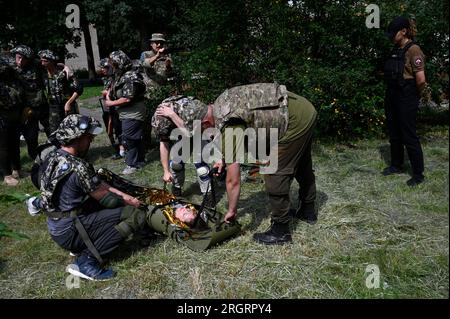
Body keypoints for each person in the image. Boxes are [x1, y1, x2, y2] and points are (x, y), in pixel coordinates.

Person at [181, 83, 318, 245]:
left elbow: (233, 180)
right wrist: (224, 158)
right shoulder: (220, 106)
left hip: (293, 120)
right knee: (302, 164)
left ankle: (281, 231)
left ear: (204, 122)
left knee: (274, 172)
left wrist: (232, 211)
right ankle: (308, 211)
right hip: (303, 109)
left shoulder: (228, 124)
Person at [27, 114, 152, 281]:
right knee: (134, 214)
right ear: (77, 137)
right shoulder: (79, 166)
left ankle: (83, 244)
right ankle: (87, 262)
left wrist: (125, 195)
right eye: (89, 137)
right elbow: (109, 200)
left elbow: (97, 185)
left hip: (56, 225)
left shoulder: (53, 156)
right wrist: (131, 202)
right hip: (69, 230)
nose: (91, 141)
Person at [383, 16, 429, 186]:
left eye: (393, 33)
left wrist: (416, 96)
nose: (391, 36)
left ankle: (418, 174)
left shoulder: (414, 50)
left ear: (403, 31)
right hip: (393, 94)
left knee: (408, 135)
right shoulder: (395, 49)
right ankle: (397, 165)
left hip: (407, 94)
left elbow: (421, 79)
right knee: (394, 133)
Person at [151, 95, 214, 202]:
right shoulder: (159, 122)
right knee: (176, 164)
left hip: (198, 128)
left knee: (201, 168)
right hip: (183, 131)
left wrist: (172, 114)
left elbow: (190, 131)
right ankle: (176, 187)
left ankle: (208, 195)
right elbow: (164, 144)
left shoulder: (191, 109)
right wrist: (166, 171)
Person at [104, 50, 147, 174]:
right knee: (135, 137)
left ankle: (131, 164)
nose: (111, 65)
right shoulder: (121, 75)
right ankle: (140, 160)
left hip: (133, 112)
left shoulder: (130, 76)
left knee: (129, 138)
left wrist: (111, 103)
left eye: (113, 63)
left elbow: (128, 98)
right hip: (127, 112)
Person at [11, 45, 48, 160]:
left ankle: (59, 151)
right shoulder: (10, 68)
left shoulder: (36, 65)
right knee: (31, 137)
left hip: (41, 106)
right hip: (26, 110)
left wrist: (66, 67)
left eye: (23, 58)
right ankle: (35, 158)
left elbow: (52, 65)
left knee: (52, 130)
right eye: (18, 57)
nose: (20, 61)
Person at [38, 49, 83, 134]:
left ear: (52, 61)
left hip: (67, 105)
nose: (42, 63)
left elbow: (79, 89)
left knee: (72, 131)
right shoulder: (43, 73)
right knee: (55, 132)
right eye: (42, 61)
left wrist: (69, 103)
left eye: (45, 61)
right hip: (53, 107)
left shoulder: (63, 73)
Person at [0, 55, 23, 186]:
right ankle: (7, 175)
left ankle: (17, 170)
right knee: (3, 146)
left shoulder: (12, 79)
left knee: (15, 144)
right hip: (2, 117)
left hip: (14, 115)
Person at [98, 58, 123, 160]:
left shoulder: (115, 77)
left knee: (118, 130)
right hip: (107, 109)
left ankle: (121, 150)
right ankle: (116, 149)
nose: (103, 69)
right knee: (110, 131)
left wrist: (107, 92)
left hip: (115, 109)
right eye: (102, 67)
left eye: (105, 67)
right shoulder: (106, 78)